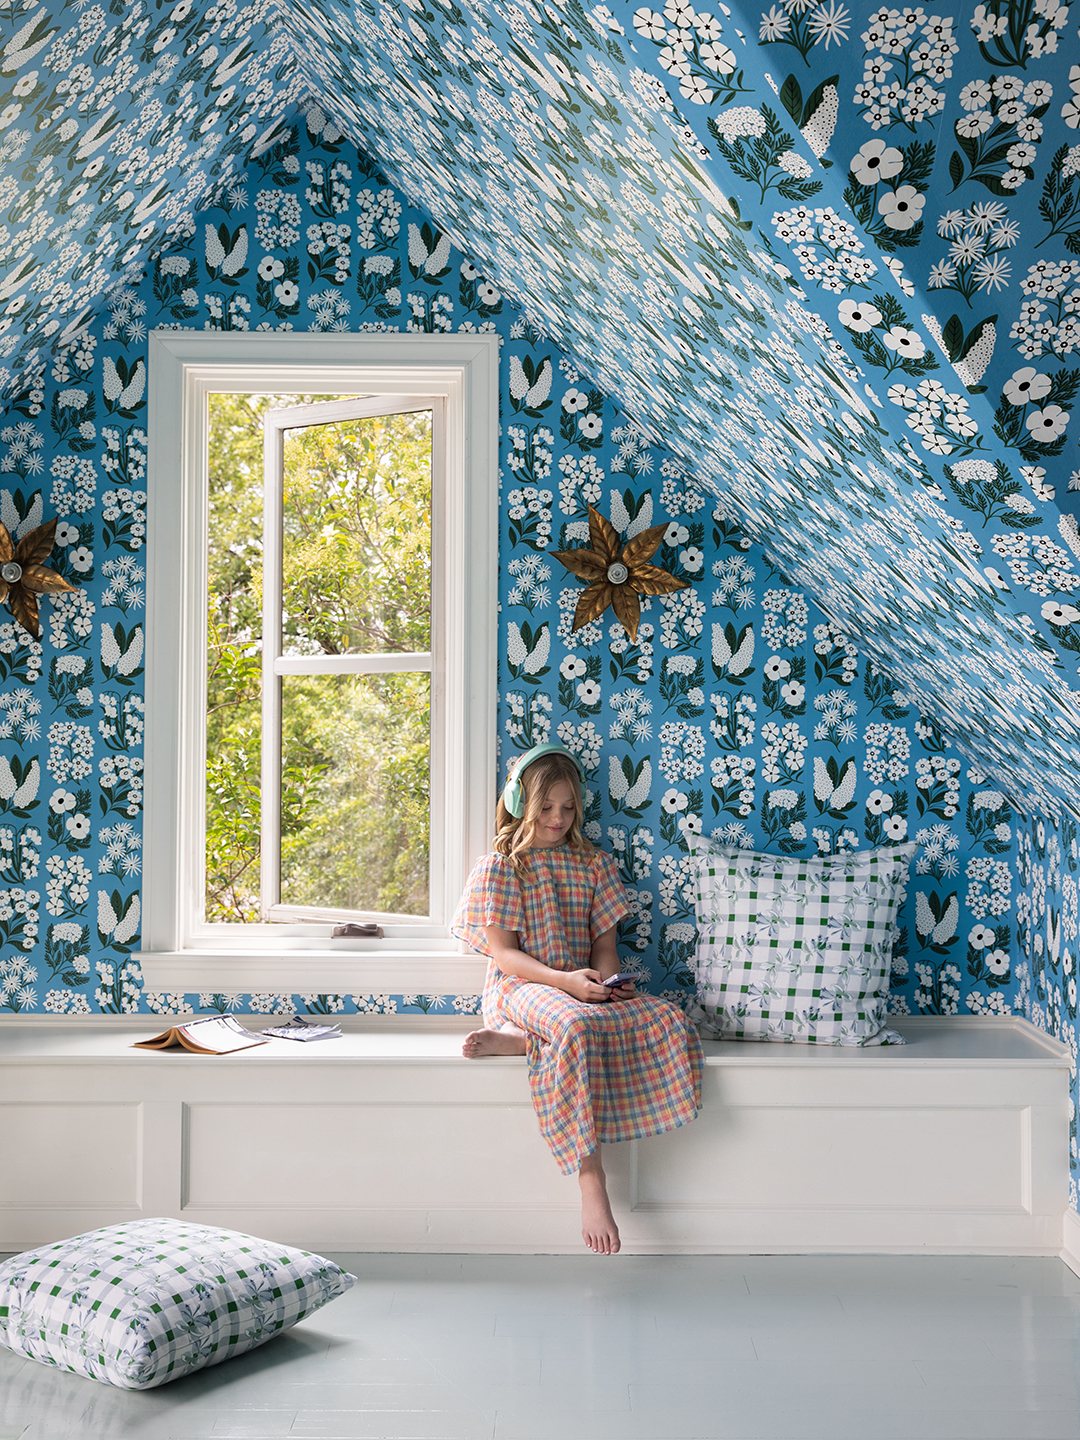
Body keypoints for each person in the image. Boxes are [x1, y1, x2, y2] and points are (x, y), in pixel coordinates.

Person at [451, 743, 704, 1255]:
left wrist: (609, 988)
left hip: (580, 986)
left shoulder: (593, 865)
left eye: (568, 808)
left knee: (667, 1019)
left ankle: (525, 1044)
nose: (558, 818)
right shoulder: (501, 866)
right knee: (573, 1025)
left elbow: (604, 949)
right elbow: (505, 956)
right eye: (546, 808)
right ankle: (591, 1178)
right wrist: (566, 984)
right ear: (521, 804)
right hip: (524, 987)